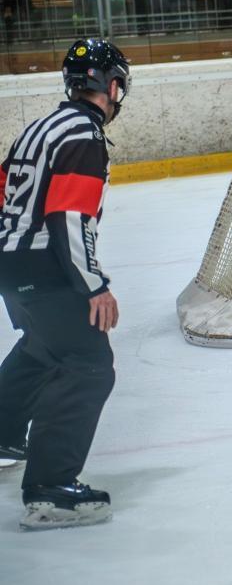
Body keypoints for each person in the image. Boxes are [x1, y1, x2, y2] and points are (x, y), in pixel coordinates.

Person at [0, 39, 129, 530]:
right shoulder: (82, 135)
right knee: (88, 365)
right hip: (44, 266)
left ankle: (3, 434)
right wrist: (94, 285)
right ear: (112, 85)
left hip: (10, 262)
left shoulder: (40, 127)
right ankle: (51, 489)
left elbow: (2, 194)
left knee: (40, 348)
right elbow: (68, 217)